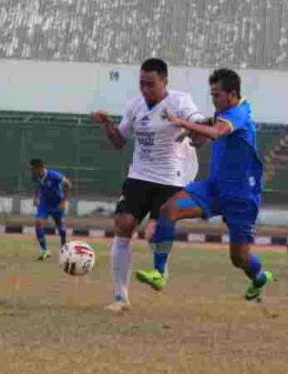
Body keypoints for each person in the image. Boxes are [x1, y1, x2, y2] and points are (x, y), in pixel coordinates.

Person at [135, 68, 274, 302]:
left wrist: (181, 122)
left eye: (217, 95)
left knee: (239, 259)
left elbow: (218, 131)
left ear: (232, 95)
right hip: (214, 189)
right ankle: (159, 273)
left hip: (241, 198)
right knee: (168, 209)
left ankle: (259, 277)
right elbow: (210, 128)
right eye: (211, 95)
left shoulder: (238, 114)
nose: (213, 100)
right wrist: (193, 133)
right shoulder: (226, 111)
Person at [91, 58, 205, 312]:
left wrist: (192, 131)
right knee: (123, 225)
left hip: (171, 178)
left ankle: (161, 270)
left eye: (150, 84)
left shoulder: (180, 101)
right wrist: (108, 123)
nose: (145, 89)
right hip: (140, 176)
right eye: (142, 83)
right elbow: (120, 141)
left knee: (153, 233)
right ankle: (121, 297)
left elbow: (201, 131)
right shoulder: (135, 106)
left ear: (164, 82)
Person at [30, 158, 72, 261]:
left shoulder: (54, 175)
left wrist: (63, 201)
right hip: (44, 204)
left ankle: (63, 248)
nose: (31, 171)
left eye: (33, 169)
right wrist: (35, 198)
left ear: (39, 168)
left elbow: (68, 185)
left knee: (61, 228)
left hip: (57, 204)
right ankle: (44, 251)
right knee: (38, 223)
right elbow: (37, 187)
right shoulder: (35, 177)